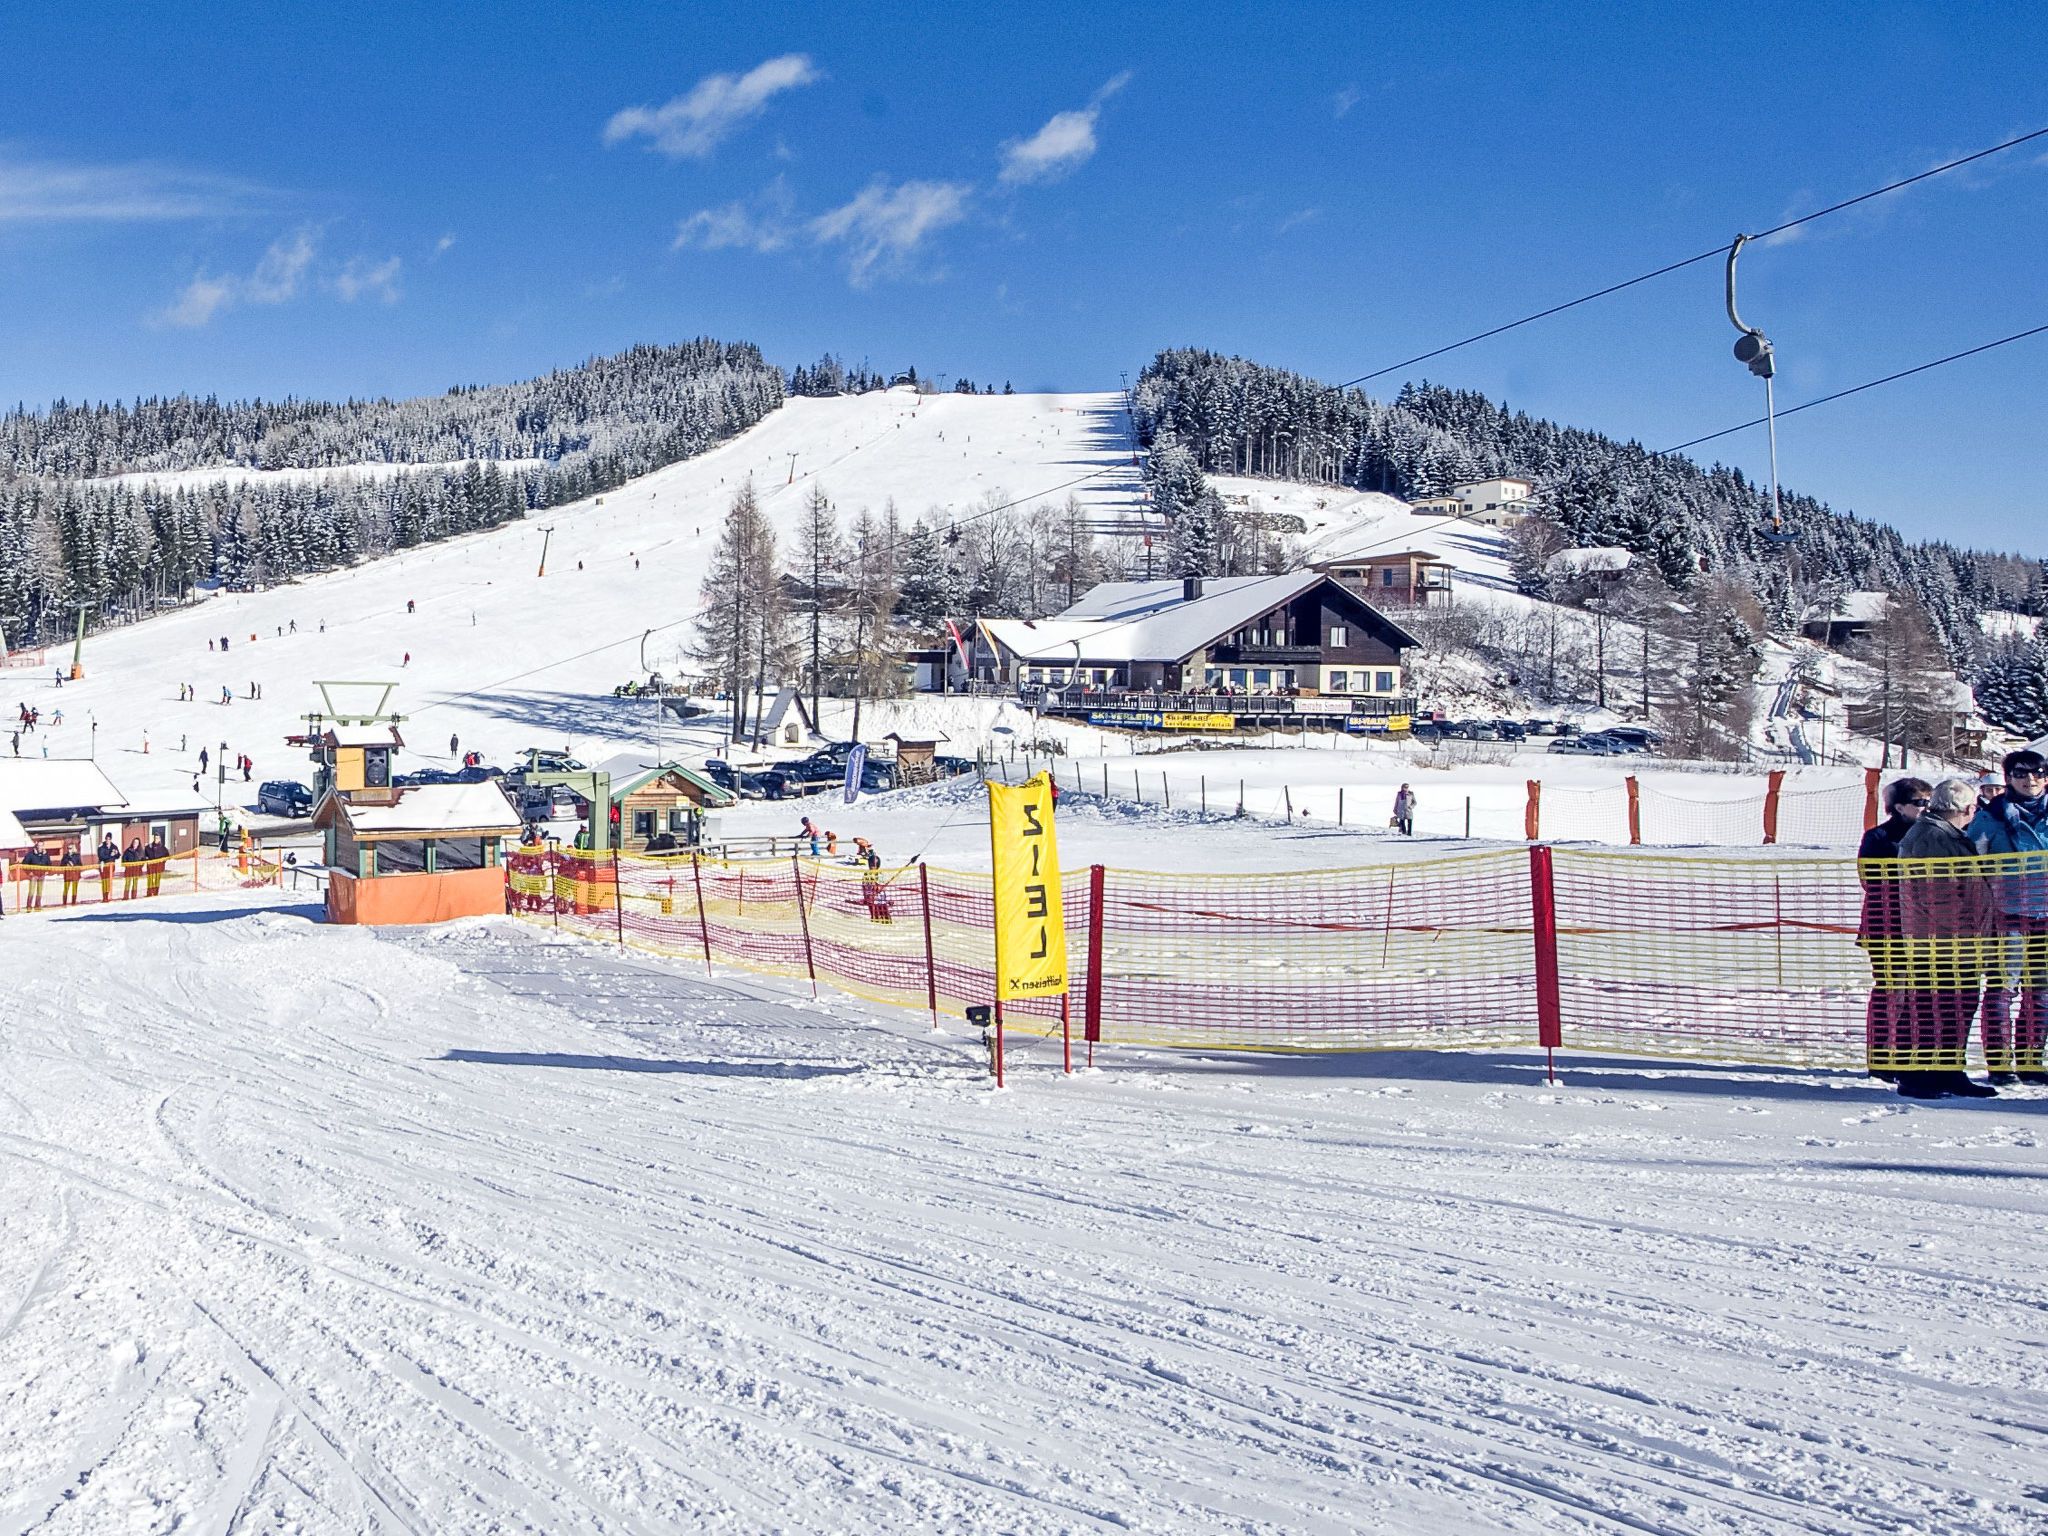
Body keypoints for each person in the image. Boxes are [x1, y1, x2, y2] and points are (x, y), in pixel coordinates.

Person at [1896, 777, 1999, 1099]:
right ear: (1967, 808)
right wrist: (1966, 932)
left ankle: (1949, 1071)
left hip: (1954, 942)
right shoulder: (1933, 838)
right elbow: (1939, 898)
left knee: (1957, 1007)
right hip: (1943, 944)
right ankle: (1918, 1076)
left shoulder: (1942, 834)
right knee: (1932, 1009)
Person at [1967, 748, 2048, 1084]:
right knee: (2003, 987)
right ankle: (1999, 1064)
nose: (2030, 780)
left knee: (2041, 989)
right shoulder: (1992, 816)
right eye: (2020, 774)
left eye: (2038, 773)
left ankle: (2032, 1061)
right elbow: (1971, 861)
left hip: (2045, 913)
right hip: (2008, 913)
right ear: (2008, 779)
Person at [1857, 777, 1931, 1081]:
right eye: (1919, 802)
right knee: (1892, 989)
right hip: (1887, 925)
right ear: (1899, 806)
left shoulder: (1931, 834)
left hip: (1923, 926)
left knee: (1919, 991)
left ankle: (1908, 1054)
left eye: (1929, 801)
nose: (1926, 807)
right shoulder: (1878, 837)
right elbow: (1870, 880)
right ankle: (1881, 1057)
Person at [95, 833, 119, 901]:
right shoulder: (102, 846)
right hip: (104, 866)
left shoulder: (114, 846)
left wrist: (116, 853)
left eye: (109, 839)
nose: (107, 840)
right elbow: (101, 856)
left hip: (111, 867)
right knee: (104, 881)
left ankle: (108, 895)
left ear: (111, 839)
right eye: (106, 839)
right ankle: (104, 897)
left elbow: (118, 855)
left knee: (109, 881)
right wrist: (110, 855)